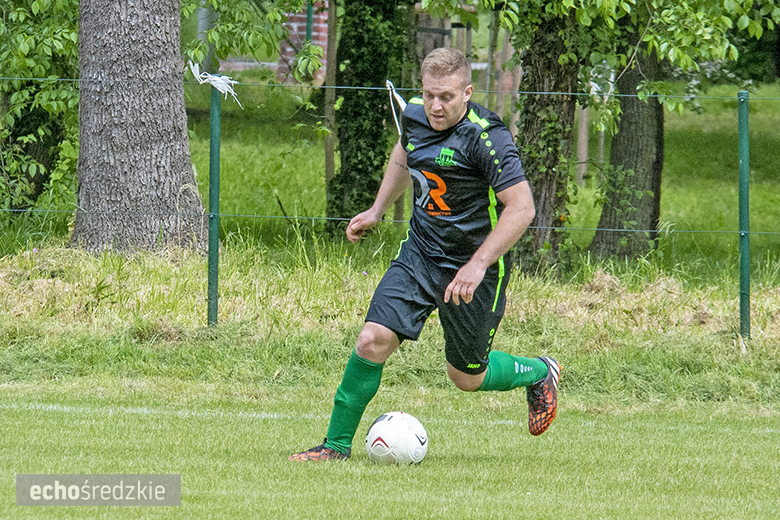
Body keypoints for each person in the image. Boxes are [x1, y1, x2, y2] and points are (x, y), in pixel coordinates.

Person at [290, 48, 559, 462]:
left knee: (467, 377)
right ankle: (335, 447)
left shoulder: (487, 137)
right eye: (430, 94)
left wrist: (477, 263)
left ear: (467, 92)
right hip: (420, 253)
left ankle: (540, 372)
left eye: (447, 96)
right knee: (370, 341)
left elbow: (522, 207)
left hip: (474, 269)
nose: (436, 105)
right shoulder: (414, 114)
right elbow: (404, 153)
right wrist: (378, 208)